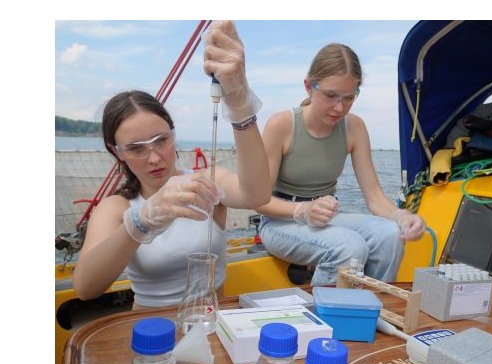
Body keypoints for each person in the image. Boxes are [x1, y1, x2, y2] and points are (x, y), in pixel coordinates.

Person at [73, 20, 270, 308]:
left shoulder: (206, 183)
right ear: (117, 152)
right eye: (136, 148)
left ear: (173, 135)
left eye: (161, 140)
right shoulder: (116, 207)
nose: (154, 157)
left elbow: (258, 195)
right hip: (148, 326)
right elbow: (86, 287)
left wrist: (240, 106)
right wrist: (141, 221)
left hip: (209, 321)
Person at [255, 43, 426, 286]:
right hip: (279, 222)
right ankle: (324, 308)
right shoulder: (281, 125)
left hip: (326, 218)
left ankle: (374, 303)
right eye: (331, 96)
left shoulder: (354, 127)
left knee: (390, 235)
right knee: (349, 247)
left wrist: (402, 216)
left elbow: (375, 197)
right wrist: (303, 210)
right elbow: (259, 201)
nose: (339, 107)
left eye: (349, 98)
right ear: (309, 86)